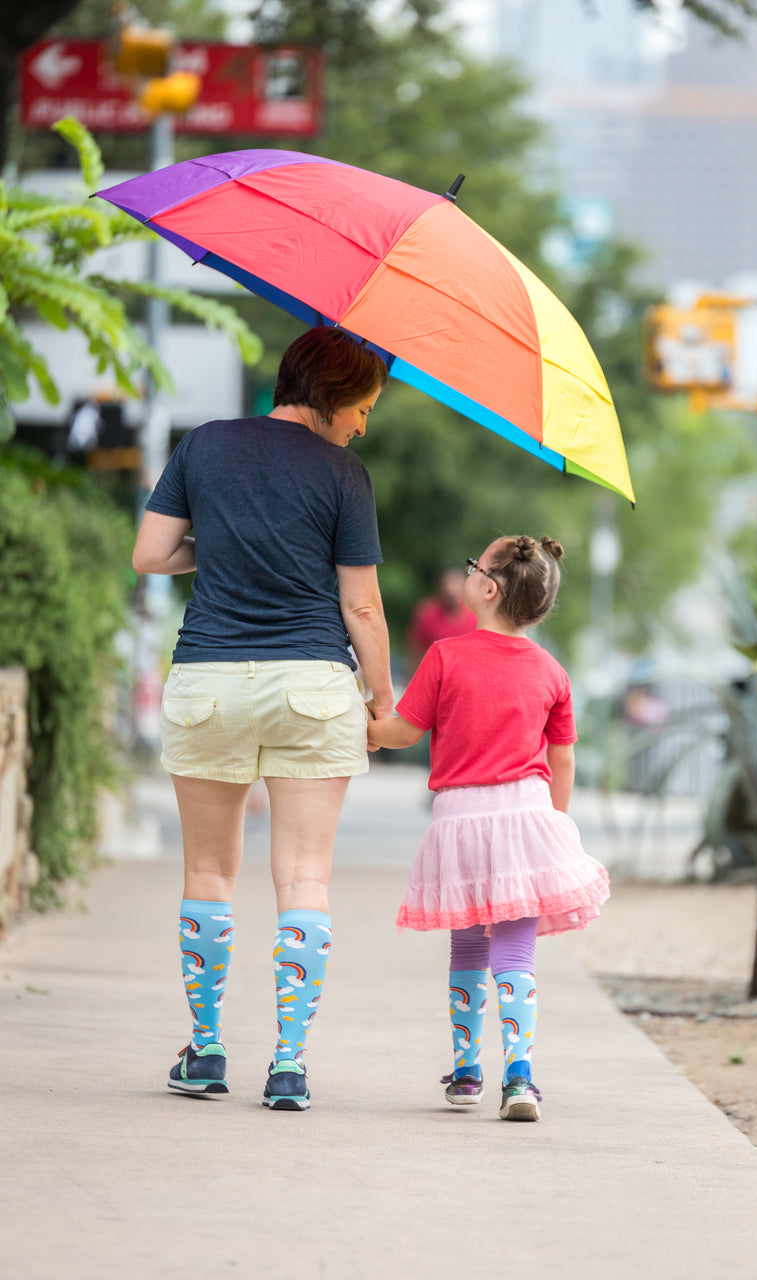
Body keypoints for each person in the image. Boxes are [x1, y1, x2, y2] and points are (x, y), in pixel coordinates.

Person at [131, 326, 395, 1112]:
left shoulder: (204, 445)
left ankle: (206, 1051)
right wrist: (383, 701)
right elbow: (361, 604)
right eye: (362, 406)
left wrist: (223, 547)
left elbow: (149, 554)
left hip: (209, 677)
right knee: (303, 877)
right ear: (331, 394)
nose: (362, 424)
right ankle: (287, 1063)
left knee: (209, 872)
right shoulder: (345, 474)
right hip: (311, 686)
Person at [367, 535, 610, 1122]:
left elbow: (404, 732)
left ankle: (467, 1071)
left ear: (489, 588)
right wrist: (553, 821)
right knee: (516, 952)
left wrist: (368, 723)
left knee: (468, 946)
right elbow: (563, 758)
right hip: (527, 817)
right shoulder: (552, 671)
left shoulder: (446, 656)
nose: (467, 571)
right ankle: (520, 1074)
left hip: (460, 819)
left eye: (474, 565)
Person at [406, 568, 476, 669]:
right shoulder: (427, 614)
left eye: (455, 585)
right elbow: (415, 650)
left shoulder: (475, 617)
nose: (451, 590)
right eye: (447, 585)